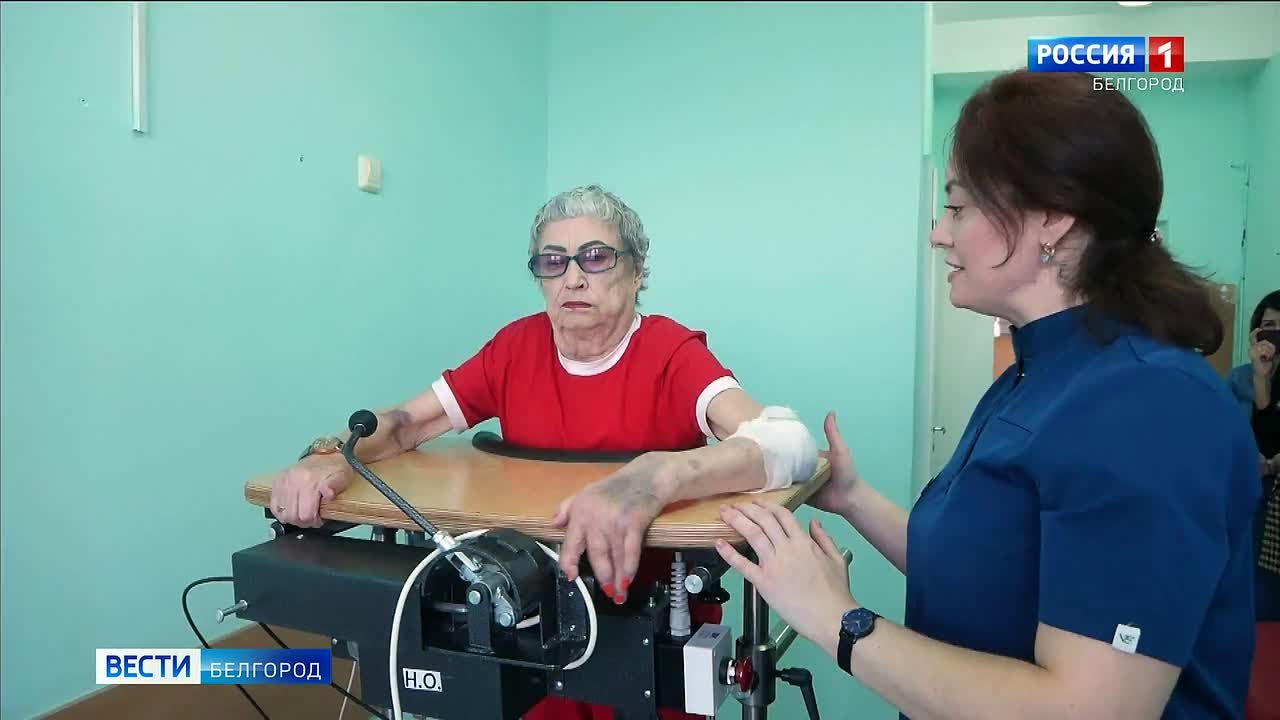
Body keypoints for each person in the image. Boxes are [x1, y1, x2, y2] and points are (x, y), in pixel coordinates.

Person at [714, 69, 1260, 719]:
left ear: (1051, 217)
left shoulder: (1151, 408)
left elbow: (1085, 710)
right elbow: (985, 576)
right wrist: (854, 500)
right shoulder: (1030, 379)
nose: (938, 233)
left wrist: (837, 619)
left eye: (958, 207)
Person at [269, 184, 819, 720]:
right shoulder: (516, 348)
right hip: (531, 621)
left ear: (636, 271)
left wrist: (658, 477)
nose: (573, 277)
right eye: (554, 261)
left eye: (596, 257)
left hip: (654, 625)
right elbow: (407, 423)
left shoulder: (668, 351)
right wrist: (329, 459)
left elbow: (788, 442)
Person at [1228, 290, 1280, 620]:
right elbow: (1223, 431)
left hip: (1276, 492)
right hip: (1249, 488)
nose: (1275, 334)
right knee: (1249, 579)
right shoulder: (1239, 378)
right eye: (1269, 326)